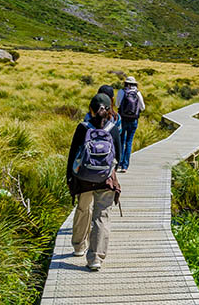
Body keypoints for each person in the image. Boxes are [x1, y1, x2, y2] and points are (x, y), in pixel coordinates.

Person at [67, 93, 121, 271]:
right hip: (105, 179)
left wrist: (69, 177)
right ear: (109, 109)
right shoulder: (113, 128)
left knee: (83, 210)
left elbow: (73, 153)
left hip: (83, 179)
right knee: (101, 216)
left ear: (90, 109)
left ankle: (78, 247)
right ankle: (95, 258)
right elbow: (119, 157)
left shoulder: (82, 127)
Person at [116, 76, 145, 173]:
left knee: (121, 141)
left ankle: (119, 163)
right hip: (133, 120)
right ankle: (125, 166)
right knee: (129, 142)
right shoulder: (137, 93)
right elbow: (143, 107)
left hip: (123, 119)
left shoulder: (121, 92)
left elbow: (117, 105)